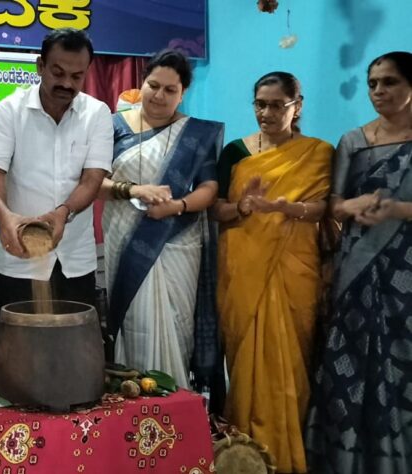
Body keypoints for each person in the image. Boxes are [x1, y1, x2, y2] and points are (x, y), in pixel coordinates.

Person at [211, 72, 333, 473]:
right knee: (246, 360)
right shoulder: (235, 152)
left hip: (296, 268)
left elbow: (325, 208)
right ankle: (243, 456)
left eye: (277, 105)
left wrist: (286, 208)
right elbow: (217, 211)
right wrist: (243, 207)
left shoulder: (319, 153)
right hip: (242, 268)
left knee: (294, 364)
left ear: (297, 106)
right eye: (260, 104)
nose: (267, 113)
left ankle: (291, 455)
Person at [306, 51, 412, 473]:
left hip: (405, 267)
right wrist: (352, 205)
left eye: (390, 82)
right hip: (356, 268)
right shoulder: (353, 140)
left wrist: (397, 210)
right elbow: (334, 203)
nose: (378, 91)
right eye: (372, 84)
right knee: (347, 357)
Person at [98, 50, 223, 390]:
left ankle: (174, 401)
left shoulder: (194, 133)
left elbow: (210, 188)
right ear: (142, 82)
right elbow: (94, 182)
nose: (159, 95)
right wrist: (134, 190)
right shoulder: (113, 126)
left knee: (176, 323)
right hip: (125, 237)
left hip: (177, 241)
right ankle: (132, 399)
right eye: (153, 85)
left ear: (183, 93)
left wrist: (176, 206)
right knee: (134, 320)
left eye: (170, 90)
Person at [0, 28, 112, 309]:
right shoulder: (8, 112)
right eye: (58, 73)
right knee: (21, 336)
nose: (66, 83)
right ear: (40, 66)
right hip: (19, 257)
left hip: (75, 260)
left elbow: (92, 179)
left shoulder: (97, 114)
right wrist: (5, 218)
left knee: (74, 334)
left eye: (76, 76)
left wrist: (63, 212)